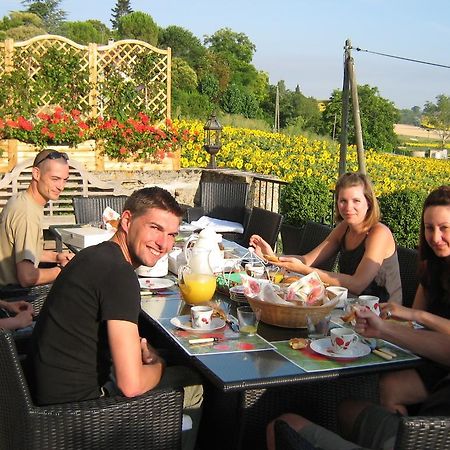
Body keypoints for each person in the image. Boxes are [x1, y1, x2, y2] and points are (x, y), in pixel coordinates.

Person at [28, 187, 202, 450]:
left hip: (42, 396)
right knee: (193, 380)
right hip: (79, 414)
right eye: (155, 228)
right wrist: (159, 365)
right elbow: (130, 385)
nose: (164, 244)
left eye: (172, 234)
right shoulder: (119, 275)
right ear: (127, 220)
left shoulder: (93, 255)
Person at [266, 308, 450, 450]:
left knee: (282, 426)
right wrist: (382, 329)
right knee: (347, 410)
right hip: (414, 431)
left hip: (429, 439)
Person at [250, 172, 402, 303]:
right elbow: (307, 260)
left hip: (385, 318)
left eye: (356, 201)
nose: (348, 207)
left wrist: (305, 270)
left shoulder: (379, 233)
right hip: (350, 307)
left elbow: (358, 284)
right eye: (343, 201)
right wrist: (271, 257)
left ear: (368, 203)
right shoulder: (344, 228)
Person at [378, 185, 450, 415]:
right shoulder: (431, 267)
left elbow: (416, 316)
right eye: (429, 228)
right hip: (427, 355)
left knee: (390, 387)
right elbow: (413, 325)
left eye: (444, 228)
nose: (436, 237)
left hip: (444, 369)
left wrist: (416, 315)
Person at [0, 149, 74, 291]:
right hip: (14, 296)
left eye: (65, 180)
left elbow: (25, 250)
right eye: (55, 179)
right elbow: (27, 277)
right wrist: (63, 270)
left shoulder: (22, 200)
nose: (61, 186)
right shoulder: (27, 214)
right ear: (36, 174)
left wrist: (57, 257)